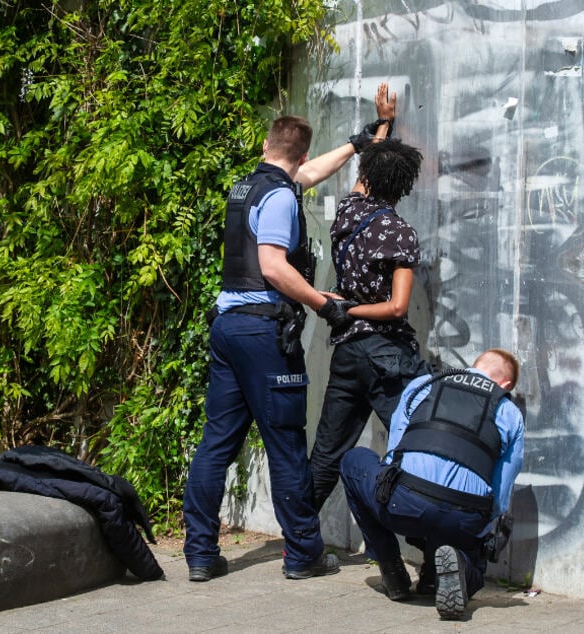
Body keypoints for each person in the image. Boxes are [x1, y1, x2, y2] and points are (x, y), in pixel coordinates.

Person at [182, 91, 395, 583]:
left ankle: (199, 553)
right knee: (286, 444)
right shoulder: (280, 197)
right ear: (296, 154)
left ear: (265, 145)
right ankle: (303, 553)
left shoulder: (249, 187)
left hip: (229, 328)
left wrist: (358, 143)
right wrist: (326, 306)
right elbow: (275, 267)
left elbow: (309, 173)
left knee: (217, 443)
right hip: (263, 334)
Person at [309, 84, 432, 511]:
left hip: (348, 353)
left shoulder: (349, 212)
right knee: (414, 441)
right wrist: (350, 308)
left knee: (327, 449)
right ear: (404, 185)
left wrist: (383, 124)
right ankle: (427, 533)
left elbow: (366, 173)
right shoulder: (400, 233)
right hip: (386, 353)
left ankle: (298, 544)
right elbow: (397, 308)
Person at [339, 349, 524, 620]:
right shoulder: (509, 412)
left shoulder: (423, 384)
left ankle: (393, 572)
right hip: (463, 517)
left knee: (354, 460)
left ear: (475, 366)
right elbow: (500, 492)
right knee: (463, 545)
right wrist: (479, 536)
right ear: (506, 385)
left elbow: (394, 456)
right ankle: (459, 567)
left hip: (405, 505)